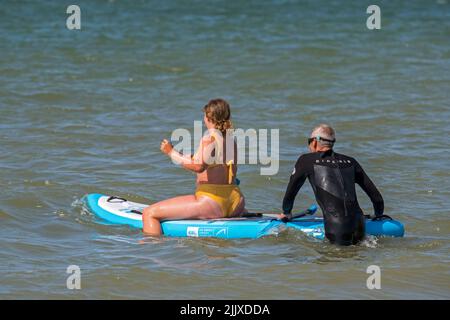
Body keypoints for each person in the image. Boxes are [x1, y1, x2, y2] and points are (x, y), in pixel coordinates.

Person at [142, 99, 246, 236]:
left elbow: (199, 166)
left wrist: (171, 152)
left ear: (208, 117)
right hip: (235, 202)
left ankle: (153, 251)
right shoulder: (231, 139)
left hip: (212, 201)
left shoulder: (209, 138)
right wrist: (184, 156)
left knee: (149, 213)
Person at [279, 124, 384, 245]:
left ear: (314, 142)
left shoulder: (306, 160)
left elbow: (291, 191)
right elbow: (377, 197)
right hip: (359, 225)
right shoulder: (351, 161)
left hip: (336, 228)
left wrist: (286, 212)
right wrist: (378, 215)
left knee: (334, 260)